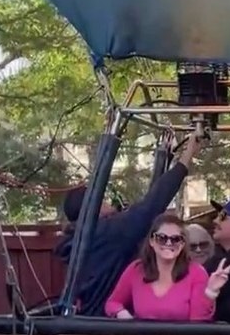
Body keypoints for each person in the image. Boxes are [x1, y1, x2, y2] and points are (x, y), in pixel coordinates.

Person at [55, 134, 203, 315]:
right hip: (110, 324)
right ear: (95, 207)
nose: (109, 202)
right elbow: (152, 205)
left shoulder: (76, 239)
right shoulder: (109, 234)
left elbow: (145, 214)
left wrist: (165, 157)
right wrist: (186, 158)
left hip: (87, 320)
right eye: (103, 200)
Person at [104, 213, 230, 321]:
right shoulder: (136, 269)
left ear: (182, 244)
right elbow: (112, 303)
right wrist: (122, 314)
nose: (169, 243)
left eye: (176, 239)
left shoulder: (196, 273)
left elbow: (198, 322)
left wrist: (210, 292)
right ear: (152, 241)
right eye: (162, 238)